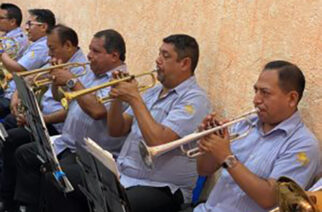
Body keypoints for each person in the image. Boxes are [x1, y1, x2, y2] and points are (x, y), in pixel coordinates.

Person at [14, 29, 128, 212]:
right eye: (90, 50)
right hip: (66, 142)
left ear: (114, 55)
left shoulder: (120, 81)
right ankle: (24, 206)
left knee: (55, 178)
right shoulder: (91, 73)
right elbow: (61, 97)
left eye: (96, 51)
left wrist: (72, 80)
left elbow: (97, 111)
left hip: (86, 153)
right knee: (24, 154)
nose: (89, 56)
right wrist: (55, 79)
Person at [193, 60, 320, 212]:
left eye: (265, 93)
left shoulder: (303, 145)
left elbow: (270, 199)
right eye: (256, 91)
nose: (256, 100)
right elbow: (204, 170)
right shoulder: (244, 124)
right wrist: (208, 142)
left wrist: (227, 158)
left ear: (292, 98)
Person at [107, 34, 211, 212]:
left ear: (184, 63)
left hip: (162, 187)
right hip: (124, 176)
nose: (157, 60)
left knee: (115, 207)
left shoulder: (195, 100)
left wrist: (134, 98)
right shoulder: (152, 92)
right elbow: (116, 129)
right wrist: (117, 96)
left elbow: (159, 141)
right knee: (77, 183)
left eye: (165, 56)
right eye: (159, 54)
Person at [0, 24, 88, 212]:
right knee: (11, 138)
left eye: (52, 47)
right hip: (46, 120)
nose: (49, 54)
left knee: (18, 144)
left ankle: (19, 203)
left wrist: (40, 120)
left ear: (68, 46)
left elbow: (71, 108)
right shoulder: (59, 60)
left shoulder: (81, 71)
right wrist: (16, 97)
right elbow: (30, 80)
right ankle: (10, 199)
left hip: (58, 128)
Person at [0, 9, 55, 118]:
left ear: (43, 27)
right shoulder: (37, 43)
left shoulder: (42, 46)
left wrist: (1, 51)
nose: (26, 28)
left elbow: (18, 69)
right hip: (13, 90)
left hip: (13, 96)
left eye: (30, 24)